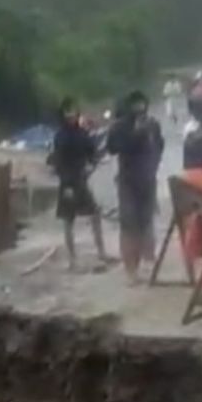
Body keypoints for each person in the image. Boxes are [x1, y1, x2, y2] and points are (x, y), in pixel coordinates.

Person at [107, 90, 165, 284]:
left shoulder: (153, 124)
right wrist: (135, 134)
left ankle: (148, 263)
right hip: (128, 181)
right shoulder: (120, 126)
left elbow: (159, 146)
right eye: (135, 105)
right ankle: (131, 271)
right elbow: (113, 148)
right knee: (129, 225)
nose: (139, 108)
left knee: (147, 222)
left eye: (142, 104)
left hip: (148, 180)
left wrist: (154, 167)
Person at [49, 98, 109, 272]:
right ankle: (72, 259)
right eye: (68, 111)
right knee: (68, 221)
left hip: (81, 181)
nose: (71, 114)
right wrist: (66, 186)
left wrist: (96, 158)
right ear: (63, 115)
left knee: (95, 214)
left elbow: (92, 152)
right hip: (68, 182)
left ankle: (101, 252)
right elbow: (59, 163)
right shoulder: (60, 137)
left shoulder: (82, 133)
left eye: (74, 111)